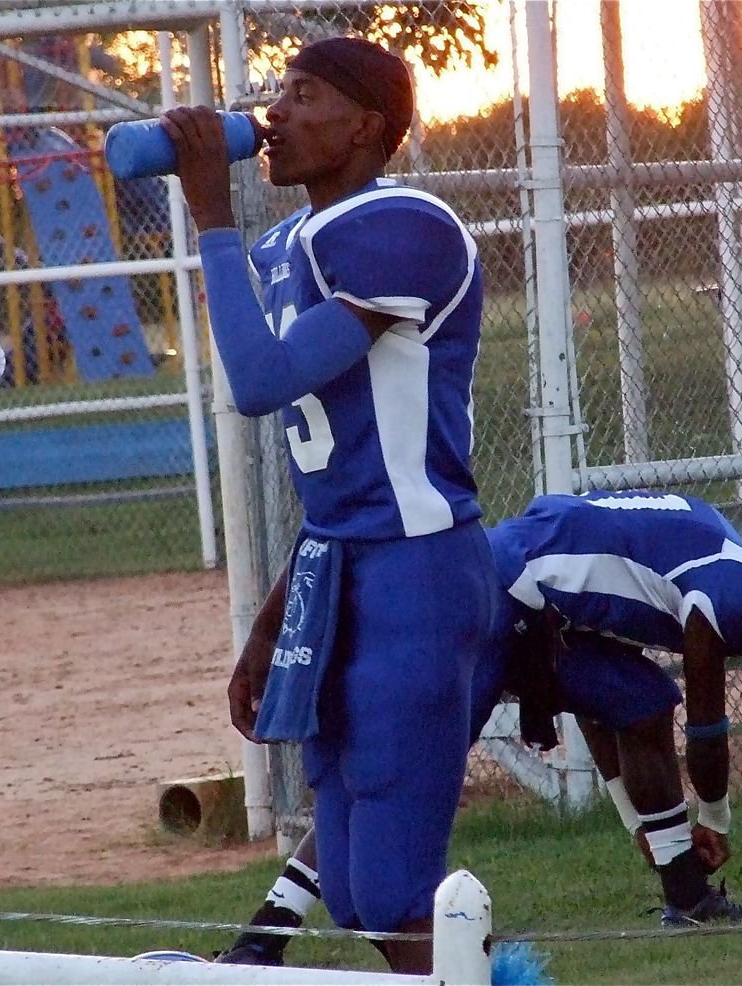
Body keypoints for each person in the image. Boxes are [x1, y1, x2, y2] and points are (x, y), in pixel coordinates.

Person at [162, 36, 497, 976]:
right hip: (340, 566)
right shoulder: (288, 244)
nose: (275, 113)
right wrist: (271, 627)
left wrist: (209, 213)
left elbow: (262, 380)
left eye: (304, 95)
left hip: (417, 569)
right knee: (349, 891)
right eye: (279, 92)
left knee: (393, 888)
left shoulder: (406, 224)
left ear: (367, 126)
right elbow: (333, 473)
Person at [216, 488, 742, 965]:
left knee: (640, 701)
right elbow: (708, 728)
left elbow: (599, 702)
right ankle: (265, 936)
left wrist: (639, 822)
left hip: (524, 586)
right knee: (395, 779)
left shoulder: (712, 531)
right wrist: (713, 819)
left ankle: (687, 893)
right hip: (498, 600)